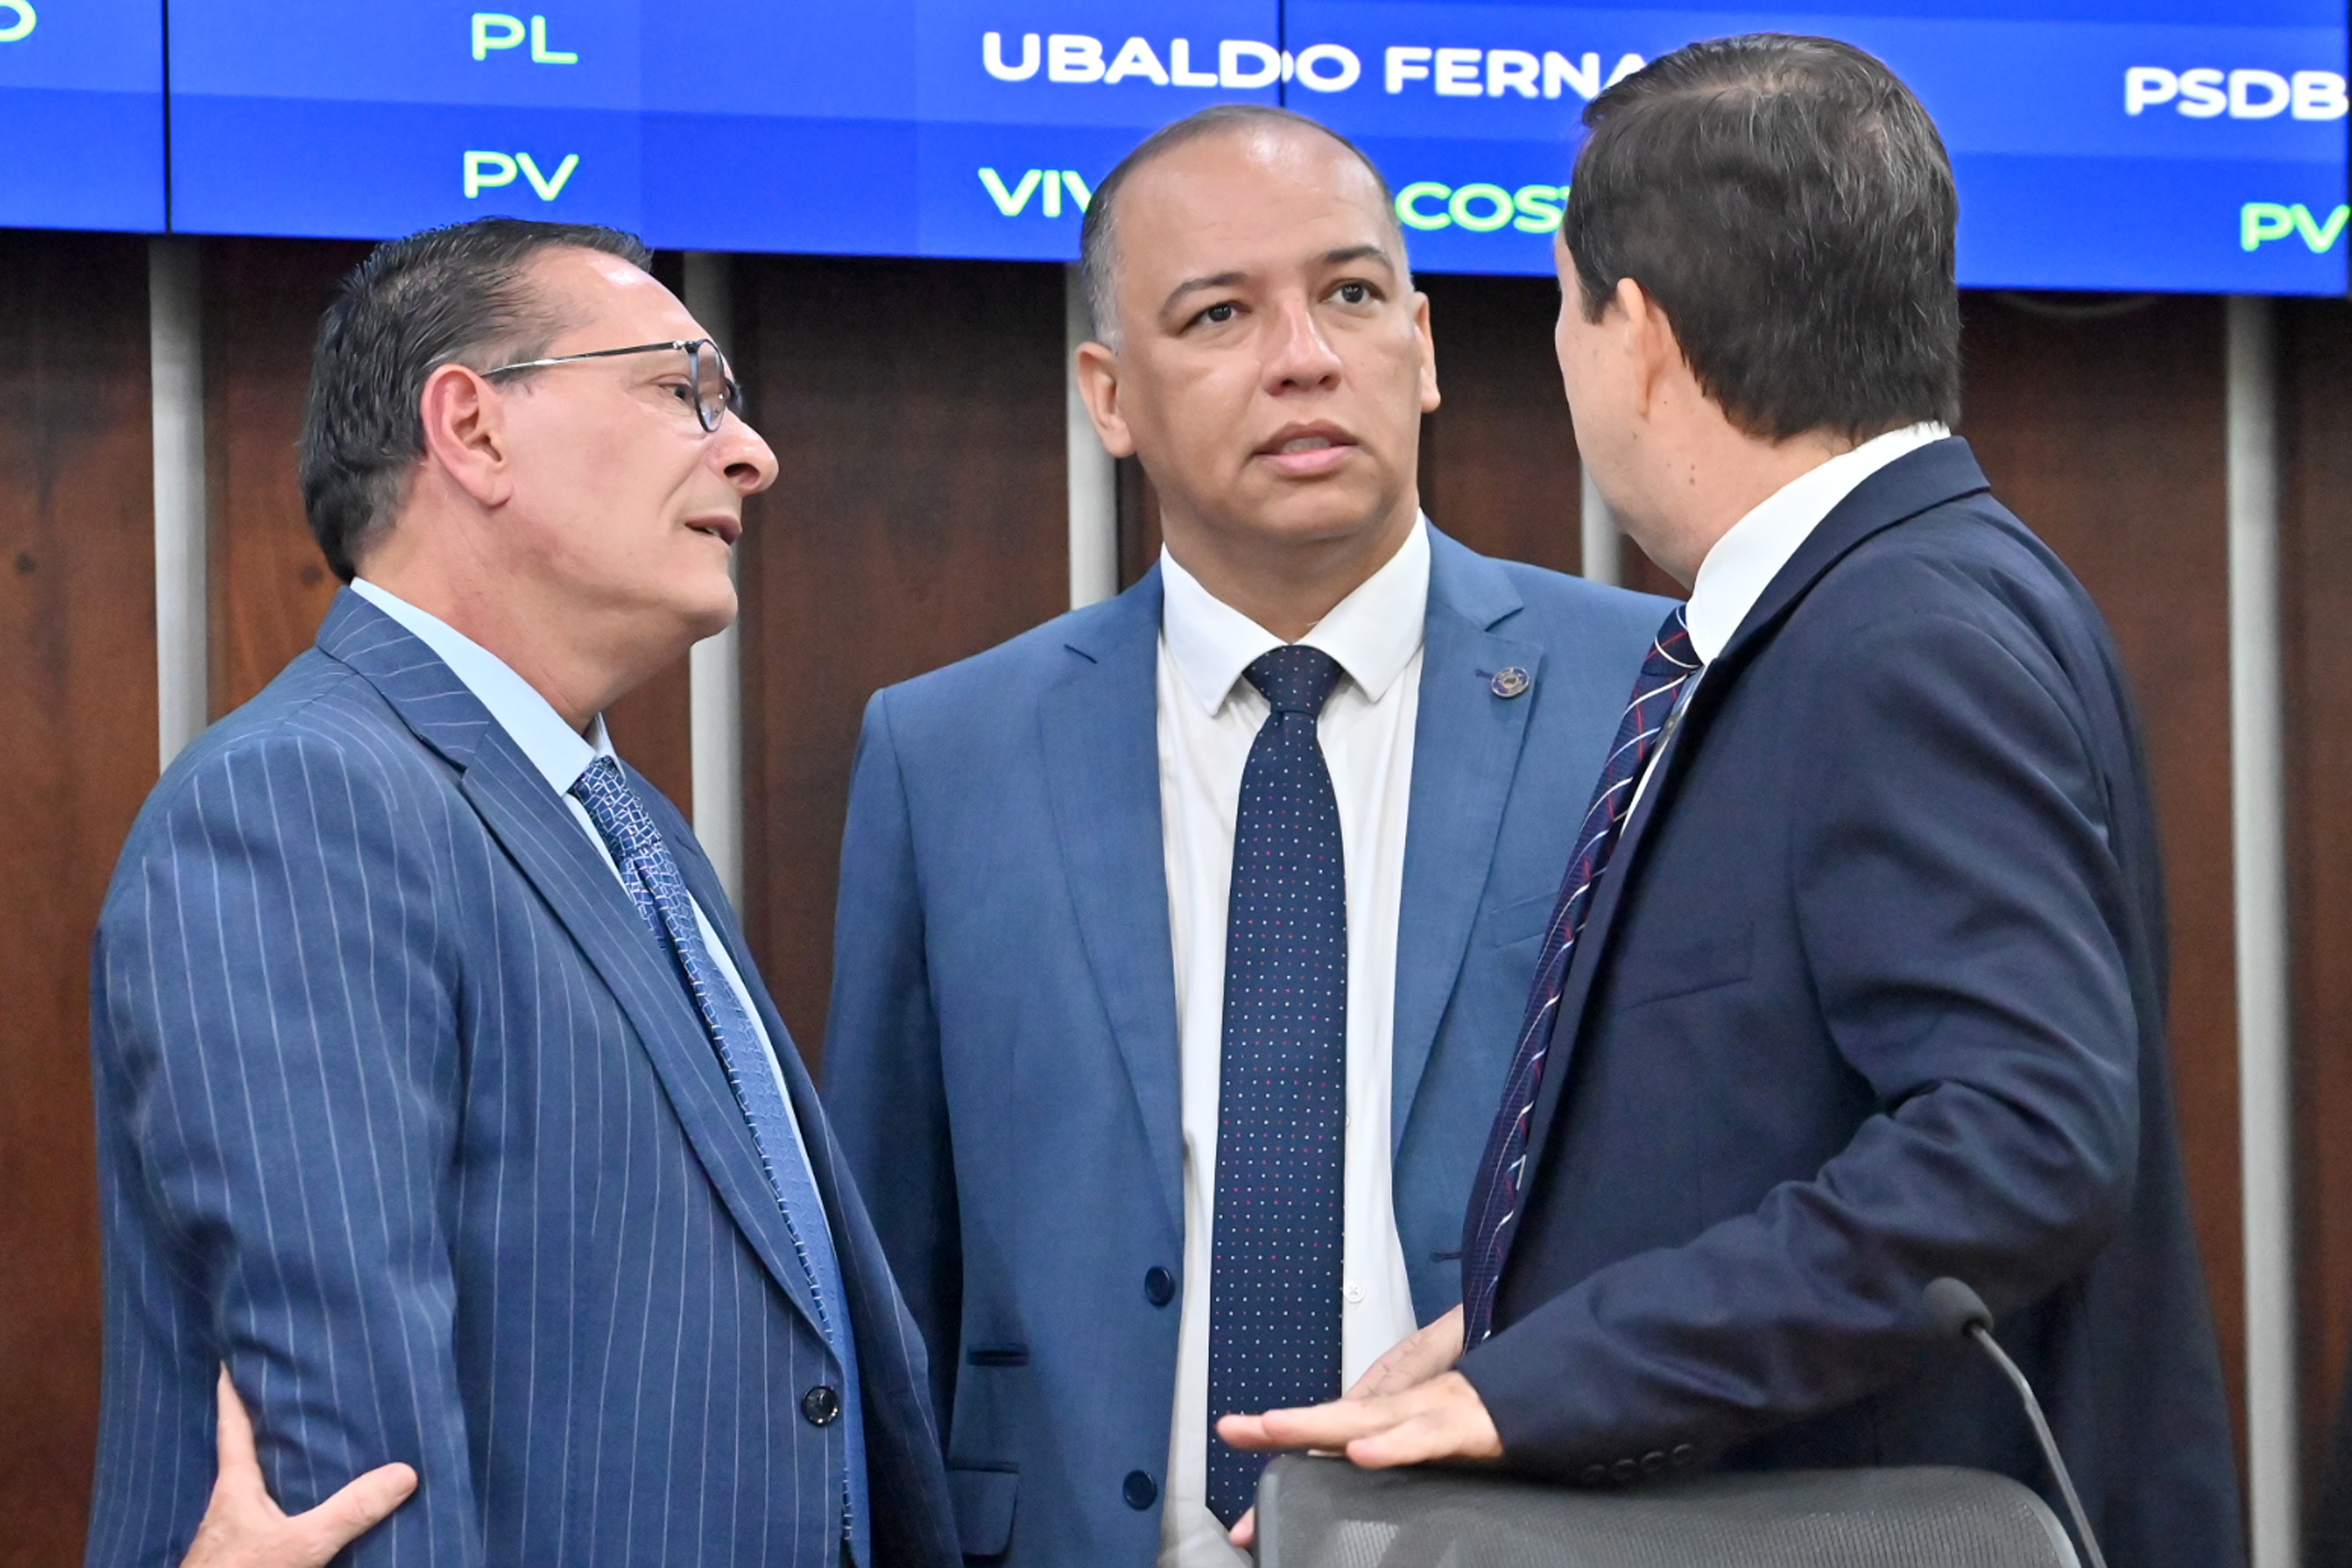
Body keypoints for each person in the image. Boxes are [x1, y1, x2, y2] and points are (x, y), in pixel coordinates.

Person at [1220, 35, 2245, 1568]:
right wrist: (1516, 1332)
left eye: (1563, 305)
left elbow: (2018, 1138)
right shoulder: (1879, 598)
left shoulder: (1901, 636)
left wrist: (1548, 1383)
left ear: (1636, 331)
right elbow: (1770, 1108)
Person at [821, 104, 1664, 1568]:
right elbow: (891, 1261)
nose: (1305, 357)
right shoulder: (947, 751)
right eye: (1220, 314)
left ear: (1424, 344)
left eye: (1352, 295)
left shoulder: (1647, 692)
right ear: (1109, 395)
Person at [87, 218, 957, 1568]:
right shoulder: (299, 801)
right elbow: (354, 1468)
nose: (752, 451)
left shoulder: (623, 819)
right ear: (473, 428)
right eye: (683, 390)